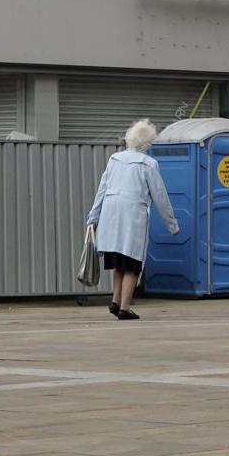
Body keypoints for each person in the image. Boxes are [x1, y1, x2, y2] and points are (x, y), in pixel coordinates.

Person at [87, 120, 179, 320]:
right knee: (133, 262)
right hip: (133, 215)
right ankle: (125, 308)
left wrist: (93, 217)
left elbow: (102, 189)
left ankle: (115, 299)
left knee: (119, 259)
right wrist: (172, 225)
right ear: (147, 142)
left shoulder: (114, 159)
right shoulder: (148, 164)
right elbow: (160, 196)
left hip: (111, 213)